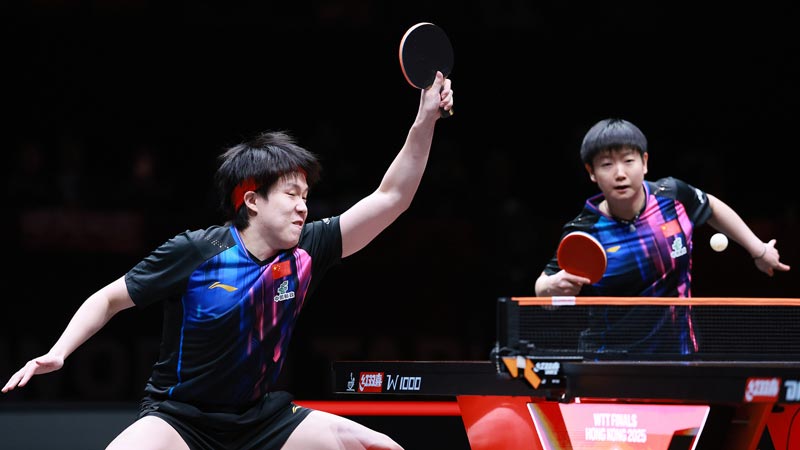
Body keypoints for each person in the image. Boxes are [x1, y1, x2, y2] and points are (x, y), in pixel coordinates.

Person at [2, 72, 453, 450]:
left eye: (306, 196)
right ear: (252, 200)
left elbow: (392, 197)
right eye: (291, 195)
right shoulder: (197, 251)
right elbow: (108, 299)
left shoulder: (307, 250)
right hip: (181, 419)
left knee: (376, 445)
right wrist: (59, 352)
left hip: (260, 420)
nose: (303, 207)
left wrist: (425, 118)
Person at [534, 118, 790, 355]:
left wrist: (759, 250)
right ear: (591, 172)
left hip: (678, 354)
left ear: (644, 162)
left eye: (628, 160)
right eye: (607, 164)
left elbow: (711, 206)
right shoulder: (585, 231)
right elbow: (544, 292)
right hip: (608, 362)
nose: (620, 173)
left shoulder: (672, 197)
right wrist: (548, 289)